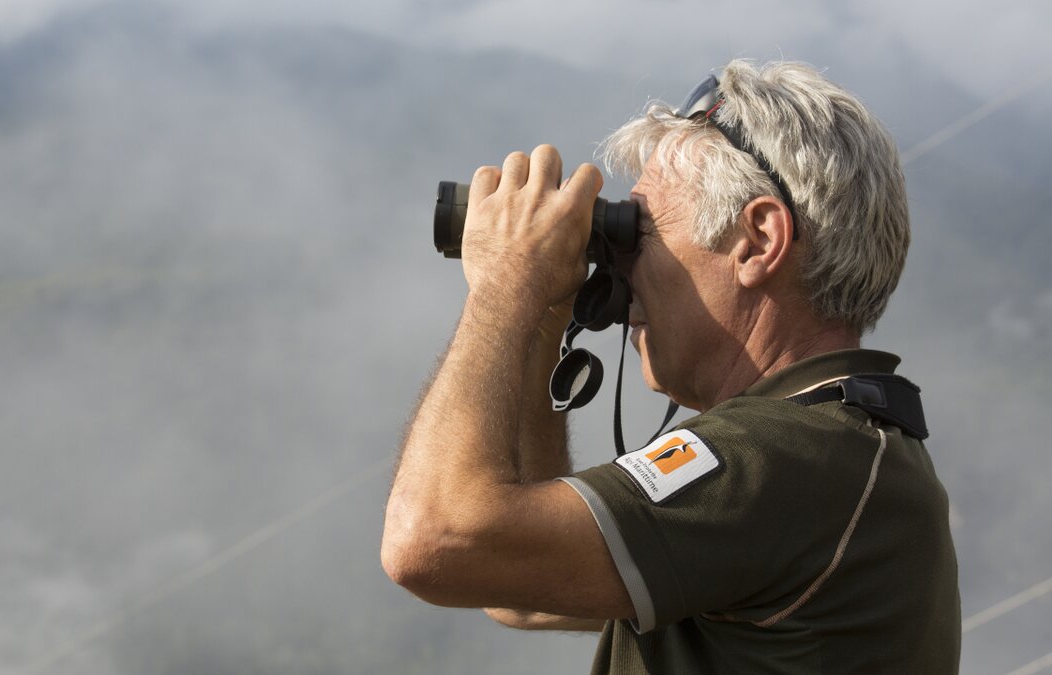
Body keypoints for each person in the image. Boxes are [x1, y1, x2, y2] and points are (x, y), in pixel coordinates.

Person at [381, 59, 960, 673]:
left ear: (758, 241)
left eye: (644, 231)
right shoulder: (843, 453)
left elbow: (435, 541)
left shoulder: (791, 456)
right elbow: (513, 583)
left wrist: (506, 284)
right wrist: (545, 315)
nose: (622, 266)